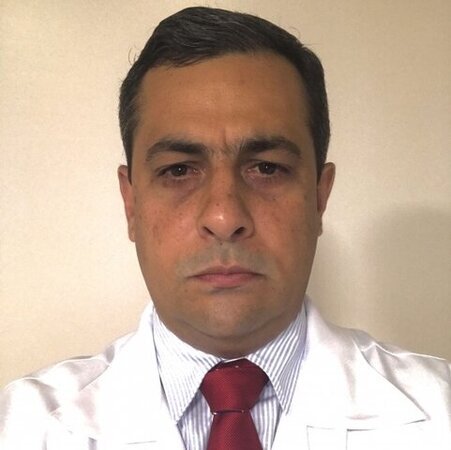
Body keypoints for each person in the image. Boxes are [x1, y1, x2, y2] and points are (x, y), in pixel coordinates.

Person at [1, 6, 450, 450]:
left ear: (319, 197)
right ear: (131, 203)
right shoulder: (20, 427)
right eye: (179, 170)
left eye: (267, 168)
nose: (223, 217)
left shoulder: (441, 410)